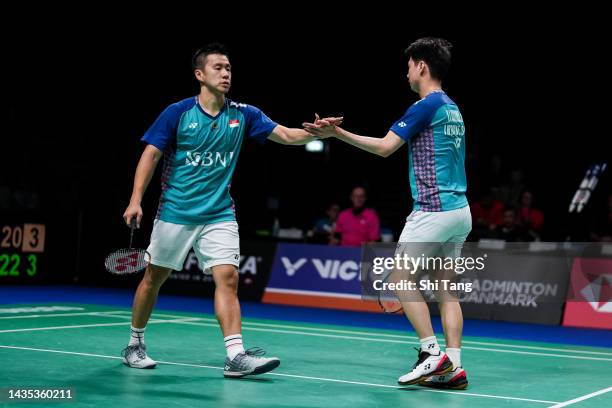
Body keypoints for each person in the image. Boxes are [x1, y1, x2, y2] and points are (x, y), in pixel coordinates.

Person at [122, 43, 341, 378]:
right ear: (200, 74)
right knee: (154, 278)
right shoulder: (178, 113)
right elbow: (150, 154)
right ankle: (135, 343)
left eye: (229, 69)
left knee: (228, 278)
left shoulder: (243, 114)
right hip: (176, 211)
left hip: (219, 213)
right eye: (218, 68)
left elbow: (284, 134)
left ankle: (235, 356)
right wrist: (136, 199)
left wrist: (319, 132)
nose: (226, 74)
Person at [304, 37, 470, 389]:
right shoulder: (453, 108)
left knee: (400, 281)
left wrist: (336, 133)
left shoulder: (426, 105)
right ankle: (453, 365)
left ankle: (431, 355)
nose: (406, 72)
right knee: (446, 289)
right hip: (460, 210)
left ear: (421, 66)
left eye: (409, 65)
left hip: (433, 211)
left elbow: (384, 148)